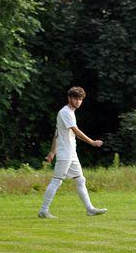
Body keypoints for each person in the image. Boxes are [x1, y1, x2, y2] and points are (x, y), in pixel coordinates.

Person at [38, 86, 107, 219]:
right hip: (65, 153)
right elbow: (75, 131)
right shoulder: (65, 112)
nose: (78, 101)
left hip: (71, 153)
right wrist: (92, 142)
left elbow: (57, 133)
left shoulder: (69, 112)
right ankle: (43, 211)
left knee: (80, 179)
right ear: (69, 98)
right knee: (57, 181)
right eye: (76, 98)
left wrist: (52, 152)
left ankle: (90, 209)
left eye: (80, 99)